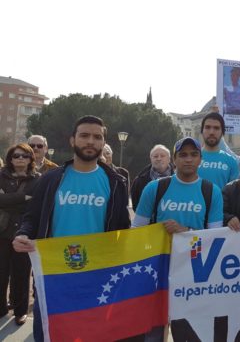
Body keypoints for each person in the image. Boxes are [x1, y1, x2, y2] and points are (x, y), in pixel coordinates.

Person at [13, 115, 130, 341]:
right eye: (84, 135)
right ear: (72, 140)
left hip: (97, 275)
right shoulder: (51, 179)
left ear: (103, 142)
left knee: (92, 334)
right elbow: (32, 216)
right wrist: (23, 233)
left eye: (97, 137)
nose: (90, 141)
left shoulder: (116, 182)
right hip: (53, 273)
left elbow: (122, 228)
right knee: (48, 333)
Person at [133, 137, 223, 232]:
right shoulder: (153, 188)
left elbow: (215, 235)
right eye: (183, 155)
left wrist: (185, 231)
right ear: (174, 159)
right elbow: (137, 229)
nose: (189, 159)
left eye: (194, 154)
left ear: (200, 159)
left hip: (197, 243)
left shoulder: (213, 192)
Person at [0, 144, 40, 326]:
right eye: (16, 155)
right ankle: (1, 309)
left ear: (31, 158)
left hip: (24, 232)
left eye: (25, 155)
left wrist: (6, 199)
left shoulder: (37, 179)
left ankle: (20, 311)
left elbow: (35, 205)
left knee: (22, 274)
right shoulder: (1, 175)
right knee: (1, 273)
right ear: (10, 158)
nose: (20, 158)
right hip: (2, 231)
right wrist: (23, 198)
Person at [198, 112, 240, 189]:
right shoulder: (191, 159)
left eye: (216, 128)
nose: (211, 132)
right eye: (207, 127)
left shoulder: (231, 161)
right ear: (202, 131)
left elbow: (235, 192)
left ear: (222, 133)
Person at [130, 144, 175, 211]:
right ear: (151, 159)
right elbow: (137, 207)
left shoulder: (179, 179)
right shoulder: (139, 181)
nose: (159, 159)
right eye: (155, 156)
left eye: (162, 156)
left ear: (169, 159)